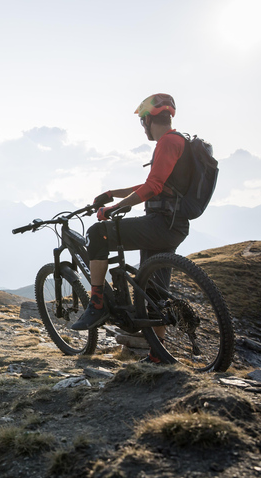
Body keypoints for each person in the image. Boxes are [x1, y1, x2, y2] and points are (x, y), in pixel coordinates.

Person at [70, 93, 195, 362]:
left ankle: (98, 301)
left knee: (97, 233)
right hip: (174, 225)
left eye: (142, 121)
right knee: (153, 290)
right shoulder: (179, 142)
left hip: (160, 223)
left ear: (149, 119)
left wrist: (112, 210)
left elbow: (153, 187)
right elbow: (157, 183)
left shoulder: (167, 142)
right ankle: (158, 353)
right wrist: (113, 193)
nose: (143, 127)